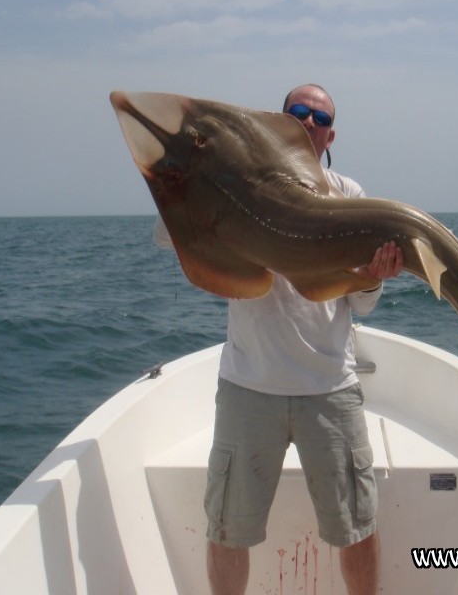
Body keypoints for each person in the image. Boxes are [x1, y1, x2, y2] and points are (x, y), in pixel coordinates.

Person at [156, 84, 403, 595]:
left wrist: (374, 275)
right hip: (249, 387)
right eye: (299, 113)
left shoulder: (349, 197)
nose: (309, 121)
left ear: (331, 134)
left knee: (356, 529)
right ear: (280, 122)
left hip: (329, 387)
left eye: (320, 116)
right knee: (228, 531)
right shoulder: (237, 183)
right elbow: (173, 239)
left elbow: (358, 305)